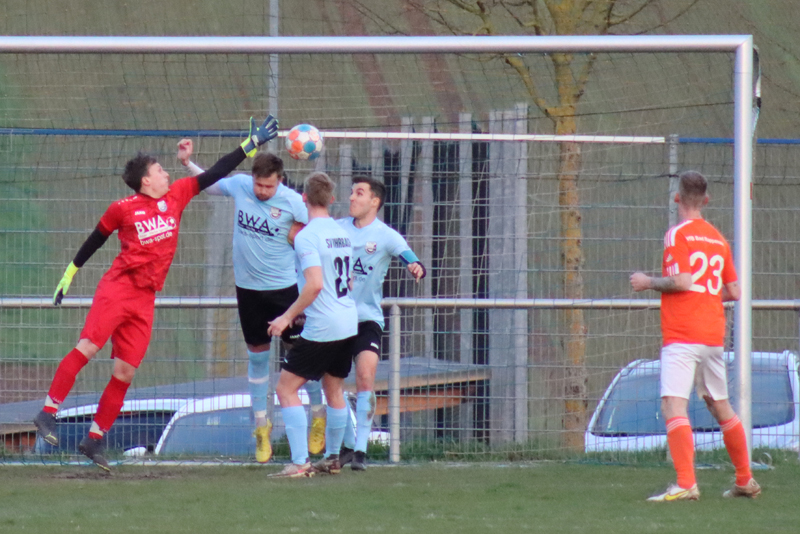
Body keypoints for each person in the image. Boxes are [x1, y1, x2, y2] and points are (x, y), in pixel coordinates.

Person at [33, 114, 279, 472]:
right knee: (88, 347)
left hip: (145, 298)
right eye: (161, 170)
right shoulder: (123, 208)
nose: (167, 174)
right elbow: (96, 239)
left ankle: (94, 439)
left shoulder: (177, 195)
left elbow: (214, 174)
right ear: (146, 180)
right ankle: (48, 412)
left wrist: (249, 144)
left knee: (125, 372)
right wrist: (70, 273)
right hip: (118, 288)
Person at [178, 145, 328, 463]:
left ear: (280, 181)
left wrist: (299, 235)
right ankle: (261, 429)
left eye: (268, 186)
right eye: (259, 185)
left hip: (284, 292)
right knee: (257, 360)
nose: (262, 191)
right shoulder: (242, 186)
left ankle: (318, 415)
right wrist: (189, 162)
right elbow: (210, 182)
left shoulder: (292, 202)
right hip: (247, 293)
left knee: (300, 358)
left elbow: (318, 230)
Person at [630, 170, 760, 501]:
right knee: (721, 406)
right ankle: (745, 480)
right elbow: (733, 290)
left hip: (683, 333)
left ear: (677, 198)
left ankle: (686, 483)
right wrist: (707, 296)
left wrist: (648, 282)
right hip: (713, 333)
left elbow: (683, 281)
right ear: (706, 200)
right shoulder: (718, 239)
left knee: (673, 404)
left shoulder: (677, 235)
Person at [265, 171, 358, 478]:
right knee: (335, 389)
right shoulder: (343, 232)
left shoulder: (307, 236)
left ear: (303, 198)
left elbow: (314, 284)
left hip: (324, 325)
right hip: (348, 320)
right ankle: (333, 458)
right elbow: (350, 279)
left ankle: (301, 462)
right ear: (332, 200)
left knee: (286, 388)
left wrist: (285, 317)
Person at [336, 176, 425, 471]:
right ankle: (348, 444)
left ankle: (360, 451)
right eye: (351, 192)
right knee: (331, 384)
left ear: (374, 201)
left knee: (365, 376)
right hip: (335, 318)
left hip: (367, 320)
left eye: (359, 193)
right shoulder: (336, 229)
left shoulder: (385, 236)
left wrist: (415, 267)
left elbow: (412, 259)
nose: (351, 198)